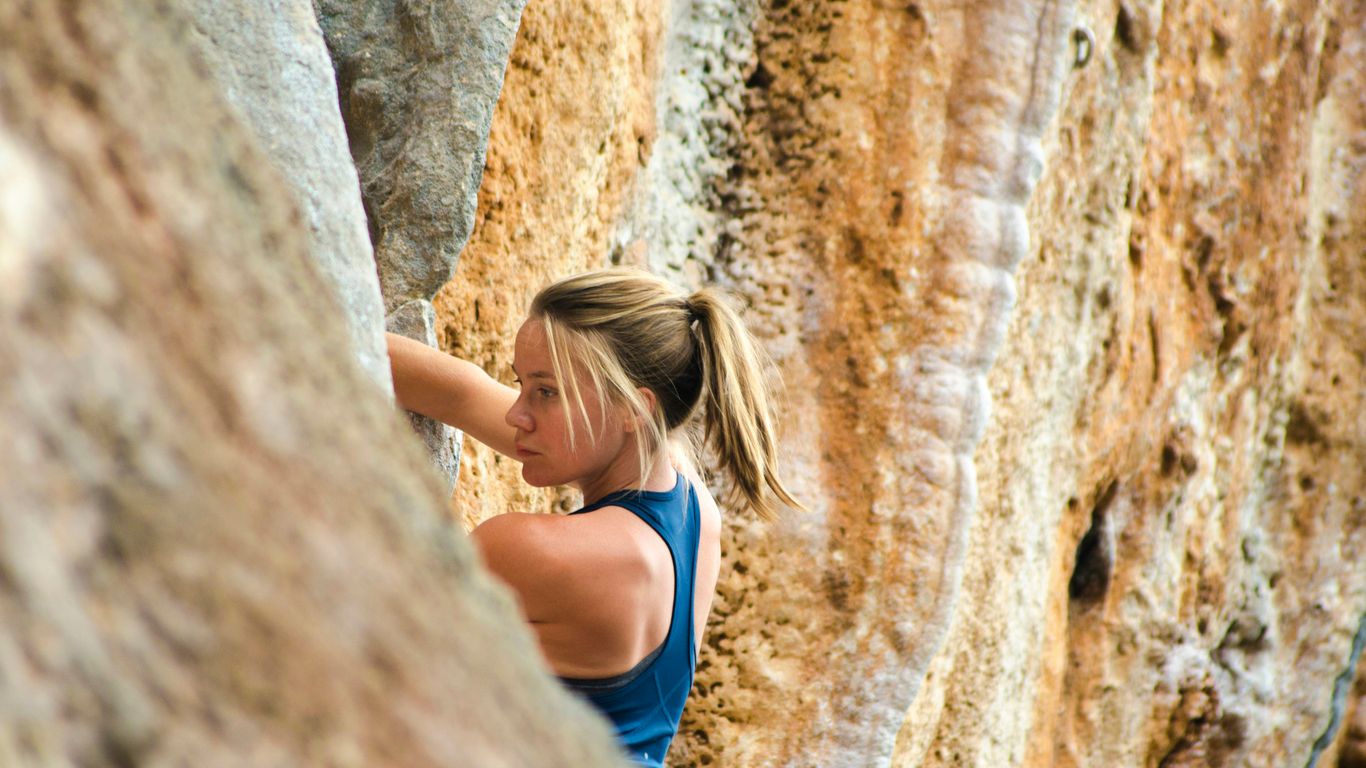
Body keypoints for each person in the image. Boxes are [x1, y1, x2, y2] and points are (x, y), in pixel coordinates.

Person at [385, 267, 799, 766]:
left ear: (634, 410)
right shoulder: (693, 509)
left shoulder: (536, 553)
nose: (518, 414)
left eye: (546, 392)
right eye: (521, 384)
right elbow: (464, 395)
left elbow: (371, 639)